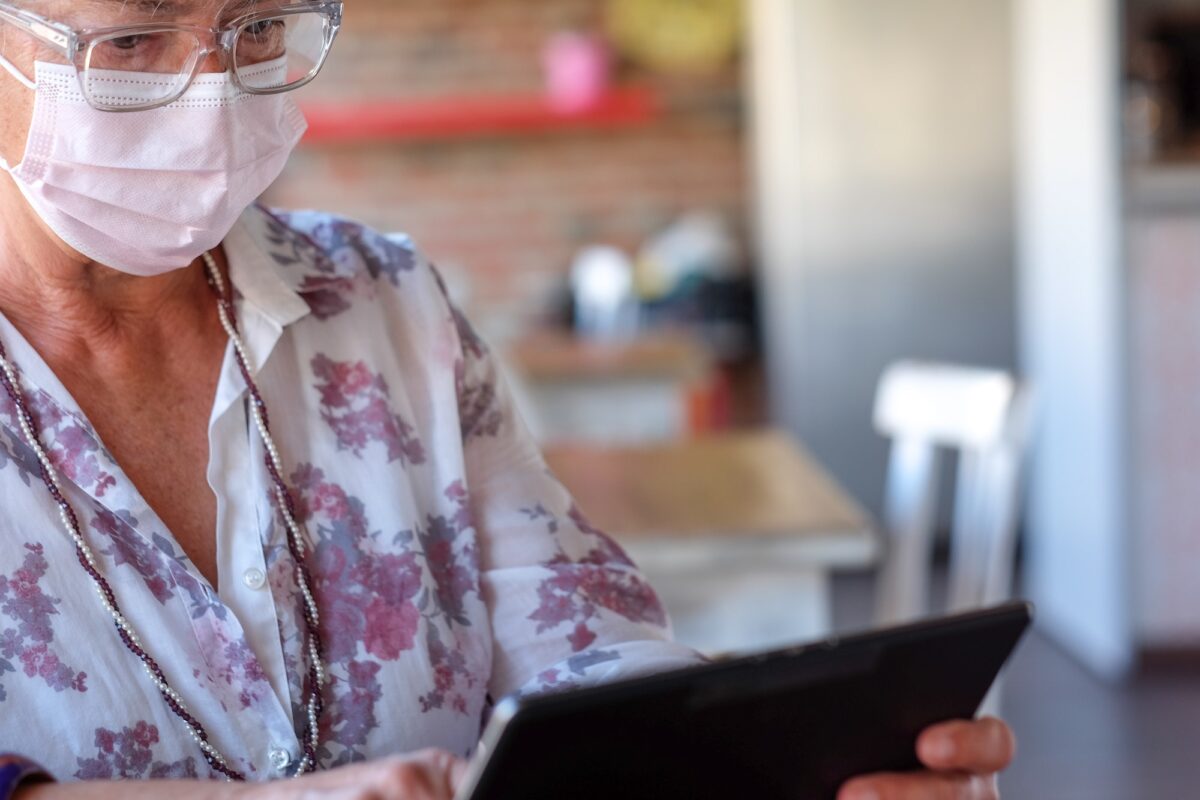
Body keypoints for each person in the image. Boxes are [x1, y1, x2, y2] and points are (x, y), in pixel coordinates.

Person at [0, 1, 1016, 798]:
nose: (212, 93)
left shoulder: (385, 301)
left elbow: (579, 642)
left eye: (259, 27)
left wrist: (786, 758)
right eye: (132, 39)